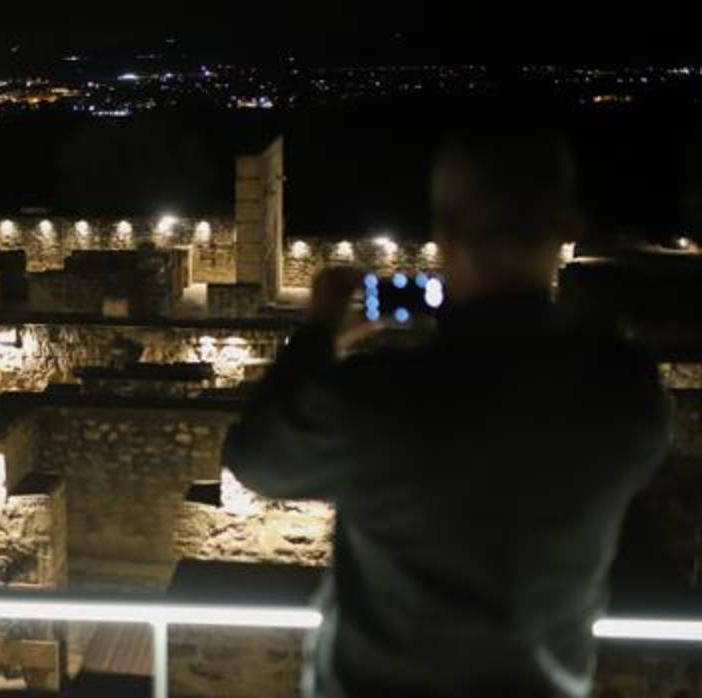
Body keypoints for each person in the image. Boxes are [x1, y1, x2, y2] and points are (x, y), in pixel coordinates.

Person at [223, 124, 671, 697]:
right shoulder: (624, 391)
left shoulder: (383, 397)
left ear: (445, 235)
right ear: (568, 228)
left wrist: (321, 335)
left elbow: (256, 456)